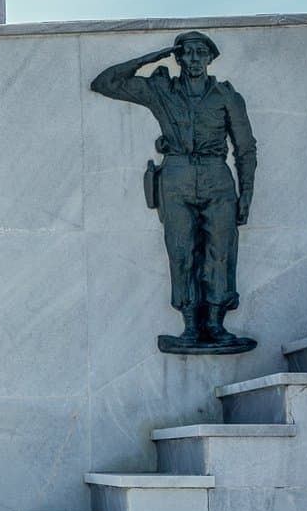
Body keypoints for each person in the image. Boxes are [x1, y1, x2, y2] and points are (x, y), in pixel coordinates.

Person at [90, 31, 258, 353]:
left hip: (216, 176)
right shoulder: (161, 90)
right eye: (187, 53)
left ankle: (215, 323)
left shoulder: (226, 96)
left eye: (200, 53)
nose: (194, 59)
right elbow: (105, 83)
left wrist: (246, 194)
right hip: (176, 175)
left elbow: (245, 148)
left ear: (210, 58)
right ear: (178, 58)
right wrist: (151, 57)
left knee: (220, 252)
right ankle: (190, 326)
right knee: (181, 252)